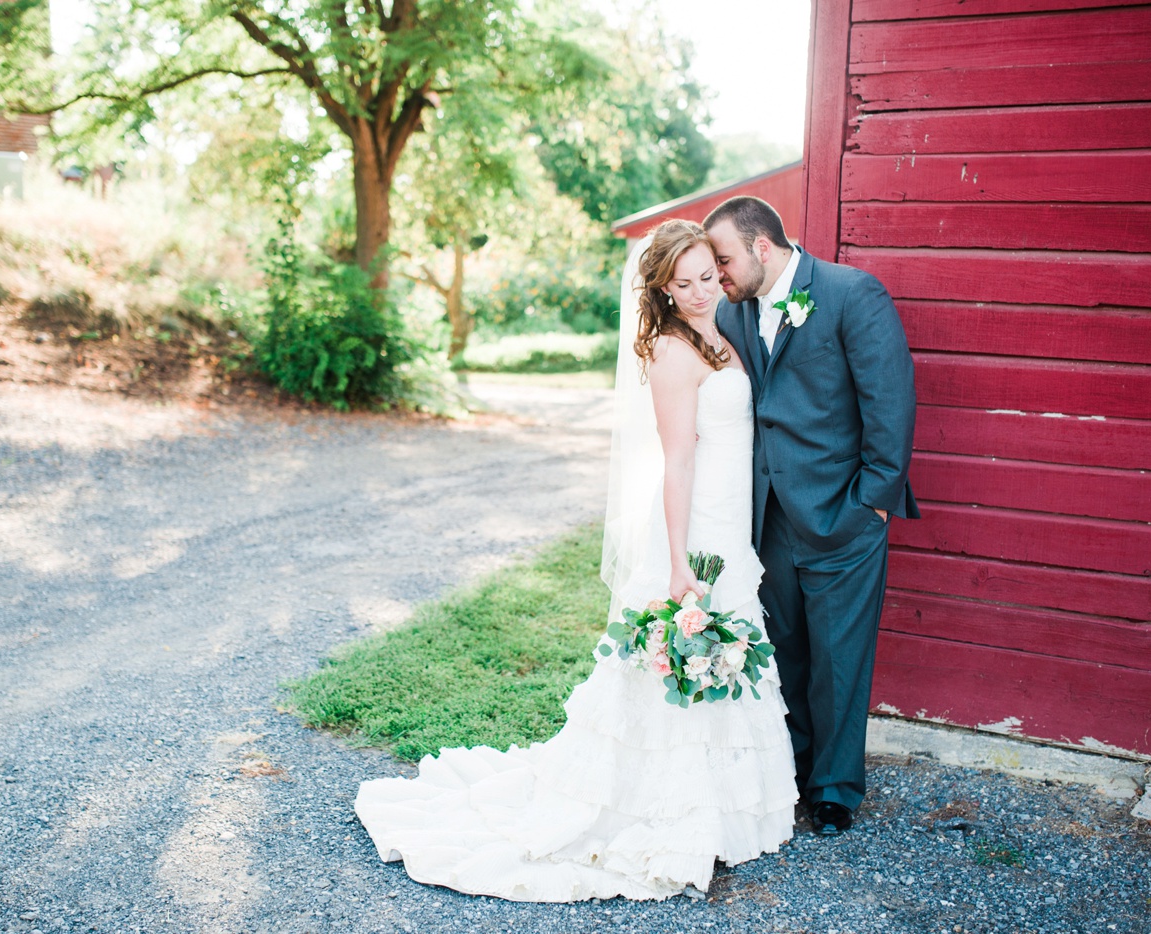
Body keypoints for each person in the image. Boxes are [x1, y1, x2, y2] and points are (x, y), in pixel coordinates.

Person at [353, 220, 796, 901]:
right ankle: (671, 811)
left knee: (727, 658)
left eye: (709, 275)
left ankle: (723, 805)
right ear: (665, 292)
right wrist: (680, 563)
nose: (703, 291)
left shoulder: (720, 332)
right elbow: (678, 462)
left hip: (732, 523)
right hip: (696, 528)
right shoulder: (676, 354)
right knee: (682, 665)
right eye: (685, 284)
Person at [704, 196, 918, 837]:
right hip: (767, 517)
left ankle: (834, 790)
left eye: (723, 260)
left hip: (844, 515)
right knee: (785, 652)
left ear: (761, 248)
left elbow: (891, 401)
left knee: (840, 659)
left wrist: (872, 503)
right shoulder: (731, 311)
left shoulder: (853, 295)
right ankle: (789, 772)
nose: (719, 275)